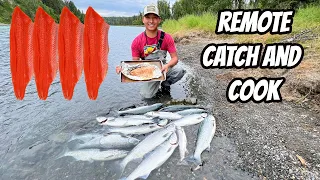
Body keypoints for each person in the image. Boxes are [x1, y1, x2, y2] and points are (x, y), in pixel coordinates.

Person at [116, 4, 185, 98]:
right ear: (143, 19)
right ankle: (154, 88)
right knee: (147, 96)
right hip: (148, 73)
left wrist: (168, 66)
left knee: (180, 71)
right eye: (148, 17)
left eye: (154, 18)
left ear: (159, 20)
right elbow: (135, 63)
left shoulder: (167, 37)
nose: (151, 21)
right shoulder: (137, 42)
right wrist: (123, 68)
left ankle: (165, 84)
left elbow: (175, 58)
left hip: (163, 68)